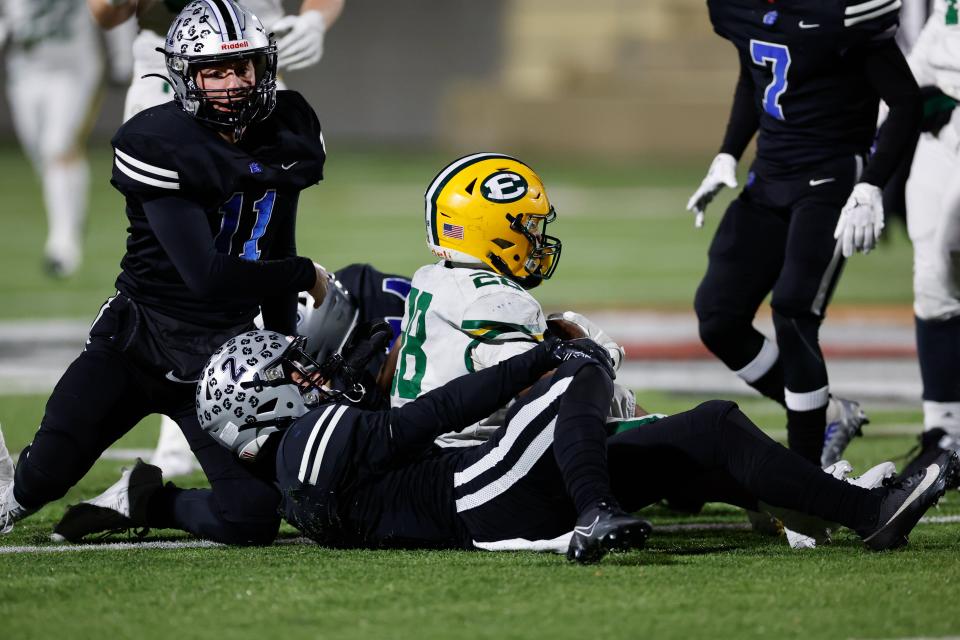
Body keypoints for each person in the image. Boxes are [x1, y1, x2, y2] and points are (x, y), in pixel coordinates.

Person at [69, 327, 956, 562]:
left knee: (708, 432)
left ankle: (863, 510)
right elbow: (435, 414)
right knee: (577, 376)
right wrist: (536, 358)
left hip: (483, 496)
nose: (309, 375)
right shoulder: (314, 444)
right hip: (486, 495)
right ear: (266, 402)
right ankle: (597, 509)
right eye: (292, 375)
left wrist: (151, 503)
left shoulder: (288, 478)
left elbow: (235, 513)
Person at [0, 0, 329, 545]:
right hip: (139, 343)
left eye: (242, 66)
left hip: (220, 360)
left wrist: (281, 345)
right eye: (215, 71)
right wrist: (302, 275)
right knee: (37, 483)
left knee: (252, 518)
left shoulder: (289, 125)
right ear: (184, 76)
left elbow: (276, 242)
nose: (232, 83)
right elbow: (204, 275)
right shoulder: (159, 140)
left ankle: (143, 499)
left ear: (262, 66)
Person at [87, 0, 346, 477]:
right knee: (186, 257)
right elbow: (104, 12)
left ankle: (254, 391)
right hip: (174, 71)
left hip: (256, 66)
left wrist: (315, 18)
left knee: (256, 238)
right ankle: (180, 411)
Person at [686, 0, 923, 469]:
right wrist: (729, 153)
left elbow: (906, 101)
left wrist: (873, 182)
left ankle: (804, 475)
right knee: (718, 318)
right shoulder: (737, 8)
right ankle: (831, 413)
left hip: (831, 177)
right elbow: (756, 70)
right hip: (769, 176)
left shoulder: (843, 12)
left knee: (793, 312)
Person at [388, 153, 643, 448]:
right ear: (494, 231)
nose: (537, 237)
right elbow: (550, 392)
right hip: (460, 461)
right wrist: (601, 356)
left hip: (414, 446)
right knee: (603, 398)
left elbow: (398, 352)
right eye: (531, 226)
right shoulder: (494, 299)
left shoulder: (430, 277)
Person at [889, 0, 960, 475]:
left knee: (950, 252)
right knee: (932, 281)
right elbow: (932, 43)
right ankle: (945, 433)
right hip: (939, 135)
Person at [0, 0, 106, 276]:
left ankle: (63, 242)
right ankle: (74, 215)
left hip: (73, 70)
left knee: (57, 146)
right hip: (25, 73)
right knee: (42, 155)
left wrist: (122, 57)